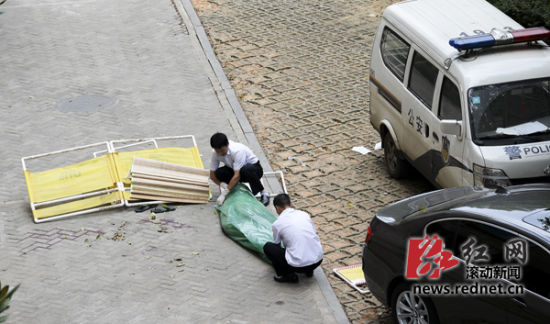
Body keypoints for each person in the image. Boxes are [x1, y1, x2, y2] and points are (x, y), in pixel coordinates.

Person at [263, 194, 323, 283]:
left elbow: (277, 244)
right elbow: (313, 232)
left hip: (298, 266)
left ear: (277, 208)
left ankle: (287, 275)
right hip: (318, 260)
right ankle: (309, 271)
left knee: (268, 247)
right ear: (291, 204)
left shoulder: (278, 223)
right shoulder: (304, 214)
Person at [209, 132, 270, 206]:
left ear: (227, 144)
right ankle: (235, 189)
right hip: (235, 170)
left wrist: (225, 193)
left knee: (247, 169)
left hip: (253, 170)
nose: (220, 153)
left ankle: (264, 192)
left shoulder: (237, 150)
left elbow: (237, 175)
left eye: (222, 151)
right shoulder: (215, 153)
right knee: (219, 173)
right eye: (217, 151)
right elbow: (212, 175)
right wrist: (222, 185)